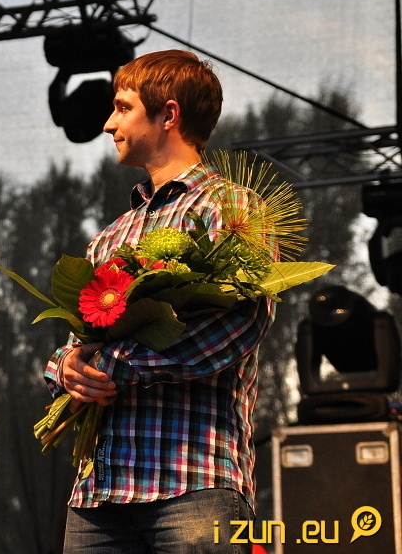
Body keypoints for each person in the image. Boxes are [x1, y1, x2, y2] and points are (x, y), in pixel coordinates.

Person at [44, 50, 273, 554]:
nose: (108, 124)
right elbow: (78, 341)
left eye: (122, 108)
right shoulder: (110, 236)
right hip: (98, 495)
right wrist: (66, 369)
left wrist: (110, 366)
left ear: (168, 114)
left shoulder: (231, 207)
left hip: (193, 483)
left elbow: (235, 327)